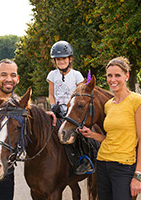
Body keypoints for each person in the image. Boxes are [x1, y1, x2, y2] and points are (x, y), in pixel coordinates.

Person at [0, 59, 56, 200]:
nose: (8, 79)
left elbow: (30, 121)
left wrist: (44, 115)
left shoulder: (20, 104)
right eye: (4, 74)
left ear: (17, 79)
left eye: (13, 75)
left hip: (5, 173)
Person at [79, 57, 141, 199]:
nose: (113, 80)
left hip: (124, 166)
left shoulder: (137, 101)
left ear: (126, 76)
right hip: (103, 163)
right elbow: (110, 137)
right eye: (109, 75)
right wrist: (92, 134)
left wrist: (138, 175)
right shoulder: (108, 105)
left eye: (117, 75)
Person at [47, 40, 95, 175]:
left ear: (70, 59)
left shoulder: (76, 75)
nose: (61, 62)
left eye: (64, 59)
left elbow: (80, 95)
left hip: (72, 110)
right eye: (58, 59)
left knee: (80, 132)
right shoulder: (52, 75)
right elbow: (51, 94)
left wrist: (70, 108)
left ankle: (85, 159)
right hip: (57, 110)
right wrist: (53, 106)